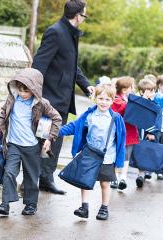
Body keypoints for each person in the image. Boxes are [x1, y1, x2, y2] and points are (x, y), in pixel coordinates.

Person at [32, 0, 94, 194]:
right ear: (78, 16)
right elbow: (39, 64)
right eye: (84, 15)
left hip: (63, 100)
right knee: (42, 139)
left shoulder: (70, 34)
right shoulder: (56, 32)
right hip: (50, 99)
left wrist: (86, 86)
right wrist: (36, 96)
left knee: (55, 140)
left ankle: (46, 178)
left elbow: (71, 66)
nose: (84, 19)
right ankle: (31, 179)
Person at [0, 68, 62, 216]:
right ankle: (5, 204)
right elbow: (3, 113)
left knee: (31, 176)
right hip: (14, 145)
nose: (22, 94)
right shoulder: (12, 99)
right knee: (9, 173)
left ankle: (31, 204)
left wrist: (50, 138)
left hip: (32, 147)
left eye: (26, 91)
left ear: (35, 90)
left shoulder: (42, 104)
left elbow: (57, 118)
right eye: (20, 90)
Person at [59, 84, 126, 220]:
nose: (103, 102)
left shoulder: (116, 118)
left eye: (107, 99)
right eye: (100, 98)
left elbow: (121, 140)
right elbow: (75, 126)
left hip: (107, 157)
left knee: (105, 183)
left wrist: (120, 162)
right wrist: (57, 131)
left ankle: (104, 208)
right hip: (89, 154)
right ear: (95, 98)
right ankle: (84, 207)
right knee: (85, 180)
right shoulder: (89, 115)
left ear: (112, 101)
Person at [110, 76, 138, 190]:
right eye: (132, 87)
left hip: (130, 132)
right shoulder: (117, 100)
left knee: (127, 157)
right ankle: (114, 177)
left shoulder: (128, 99)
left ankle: (123, 178)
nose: (134, 89)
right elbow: (119, 109)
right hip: (120, 132)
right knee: (116, 155)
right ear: (125, 89)